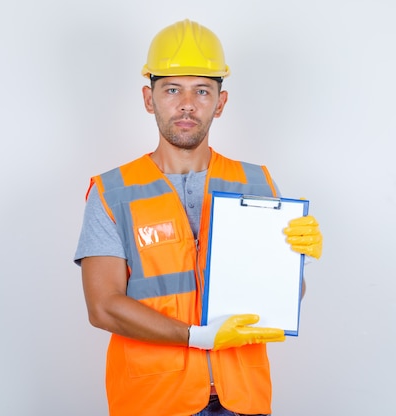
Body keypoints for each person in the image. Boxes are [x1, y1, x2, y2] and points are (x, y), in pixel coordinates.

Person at [74, 18, 323, 416]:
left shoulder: (256, 182)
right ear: (148, 98)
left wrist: (296, 262)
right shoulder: (111, 192)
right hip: (155, 402)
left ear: (220, 103)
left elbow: (278, 299)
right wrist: (197, 337)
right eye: (172, 89)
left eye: (202, 91)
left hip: (241, 398)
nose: (187, 104)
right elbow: (103, 306)